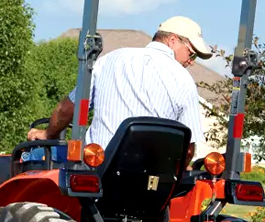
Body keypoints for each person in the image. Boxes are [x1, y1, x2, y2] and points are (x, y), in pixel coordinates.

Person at [27, 15, 214, 161]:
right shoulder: (184, 80)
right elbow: (188, 146)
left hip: (98, 164)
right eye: (191, 54)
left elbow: (67, 109)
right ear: (172, 40)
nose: (191, 62)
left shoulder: (110, 60)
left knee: (34, 157)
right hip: (150, 176)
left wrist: (47, 133)